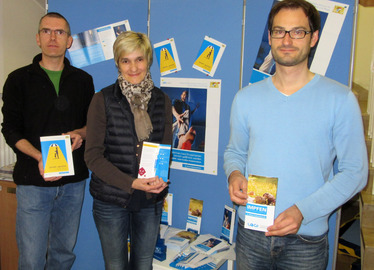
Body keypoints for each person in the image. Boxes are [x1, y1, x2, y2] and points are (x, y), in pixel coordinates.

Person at [223, 1, 368, 269]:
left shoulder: (340, 99)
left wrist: (303, 211)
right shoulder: (245, 98)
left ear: (313, 37)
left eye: (297, 31)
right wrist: (234, 174)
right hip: (251, 233)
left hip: (306, 240)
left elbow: (355, 173)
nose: (287, 39)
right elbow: (235, 152)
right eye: (279, 31)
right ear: (269, 37)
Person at [1, 12, 94, 269]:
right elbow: (9, 129)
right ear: (38, 38)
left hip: (73, 183)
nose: (53, 37)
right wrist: (39, 156)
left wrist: (81, 134)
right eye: (46, 31)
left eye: (60, 32)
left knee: (63, 254)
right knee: (31, 258)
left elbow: (93, 126)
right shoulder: (18, 80)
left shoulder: (83, 81)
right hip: (33, 181)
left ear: (69, 41)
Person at [84, 31, 172, 270]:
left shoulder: (162, 100)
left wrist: (159, 180)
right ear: (117, 63)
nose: (133, 67)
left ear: (148, 60)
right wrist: (131, 182)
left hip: (149, 198)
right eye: (126, 60)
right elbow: (92, 156)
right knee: (116, 265)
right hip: (110, 199)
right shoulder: (102, 100)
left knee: (144, 265)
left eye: (139, 59)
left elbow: (165, 149)